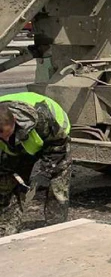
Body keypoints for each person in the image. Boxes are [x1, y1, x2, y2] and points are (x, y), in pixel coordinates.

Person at [0, 92, 71, 236]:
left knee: (57, 183)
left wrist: (45, 172)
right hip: (19, 148)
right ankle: (7, 228)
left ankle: (56, 229)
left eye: (8, 134)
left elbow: (58, 146)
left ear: (14, 120)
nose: (5, 139)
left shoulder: (41, 117)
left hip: (54, 141)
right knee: (7, 184)